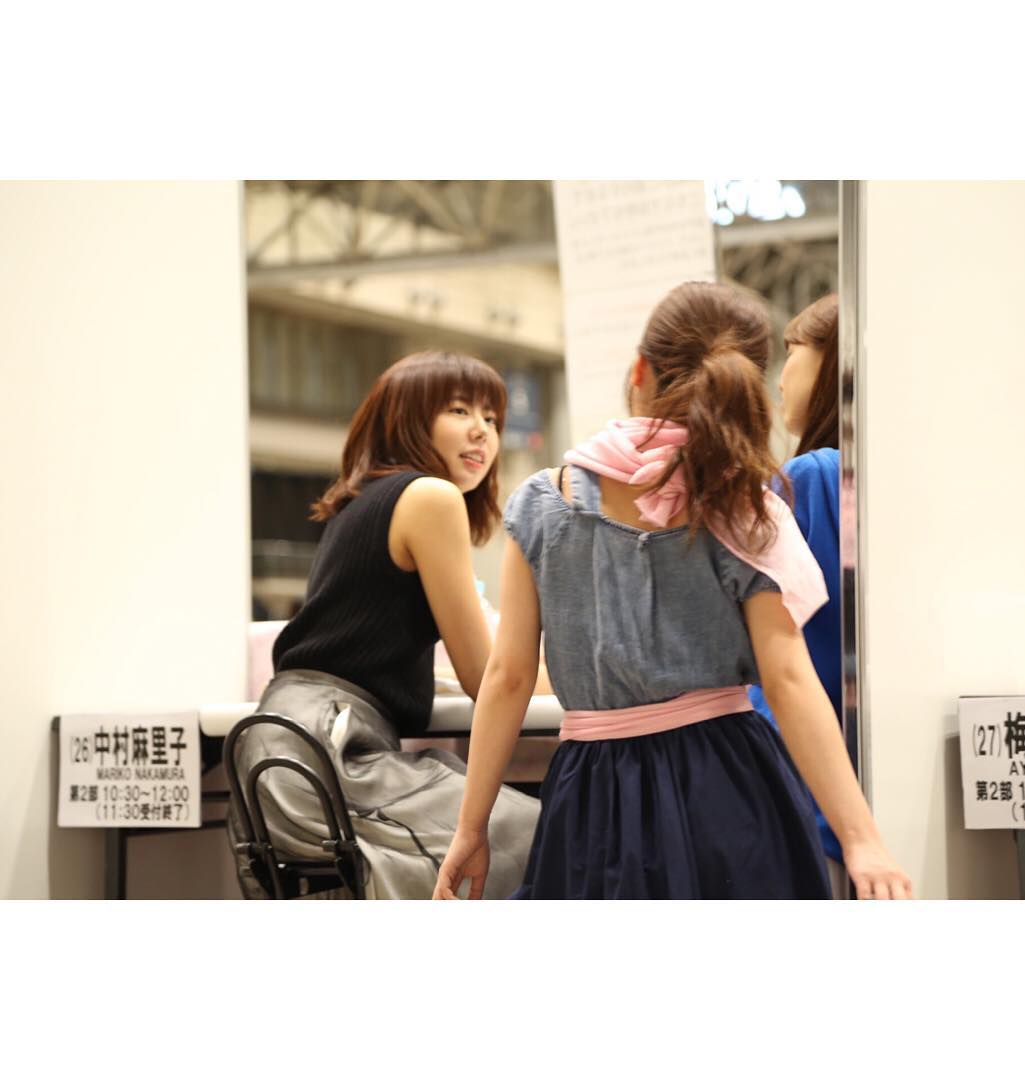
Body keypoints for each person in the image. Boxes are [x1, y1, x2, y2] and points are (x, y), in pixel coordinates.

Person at [433, 282, 911, 900]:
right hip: (731, 787)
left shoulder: (541, 506)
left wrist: (470, 828)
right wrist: (862, 838)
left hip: (593, 795)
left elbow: (507, 678)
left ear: (639, 370)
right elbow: (789, 679)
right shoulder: (744, 507)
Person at [227, 350, 539, 899]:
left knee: (504, 822)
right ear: (407, 419)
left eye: (492, 418)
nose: (482, 432)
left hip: (284, 753)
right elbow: (487, 674)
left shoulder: (361, 504)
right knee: (538, 831)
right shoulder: (430, 497)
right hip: (327, 759)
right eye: (460, 410)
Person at [748, 293, 847, 895]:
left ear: (833, 359)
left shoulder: (811, 476)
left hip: (798, 783)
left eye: (791, 352)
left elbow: (771, 653)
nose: (780, 378)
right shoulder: (862, 474)